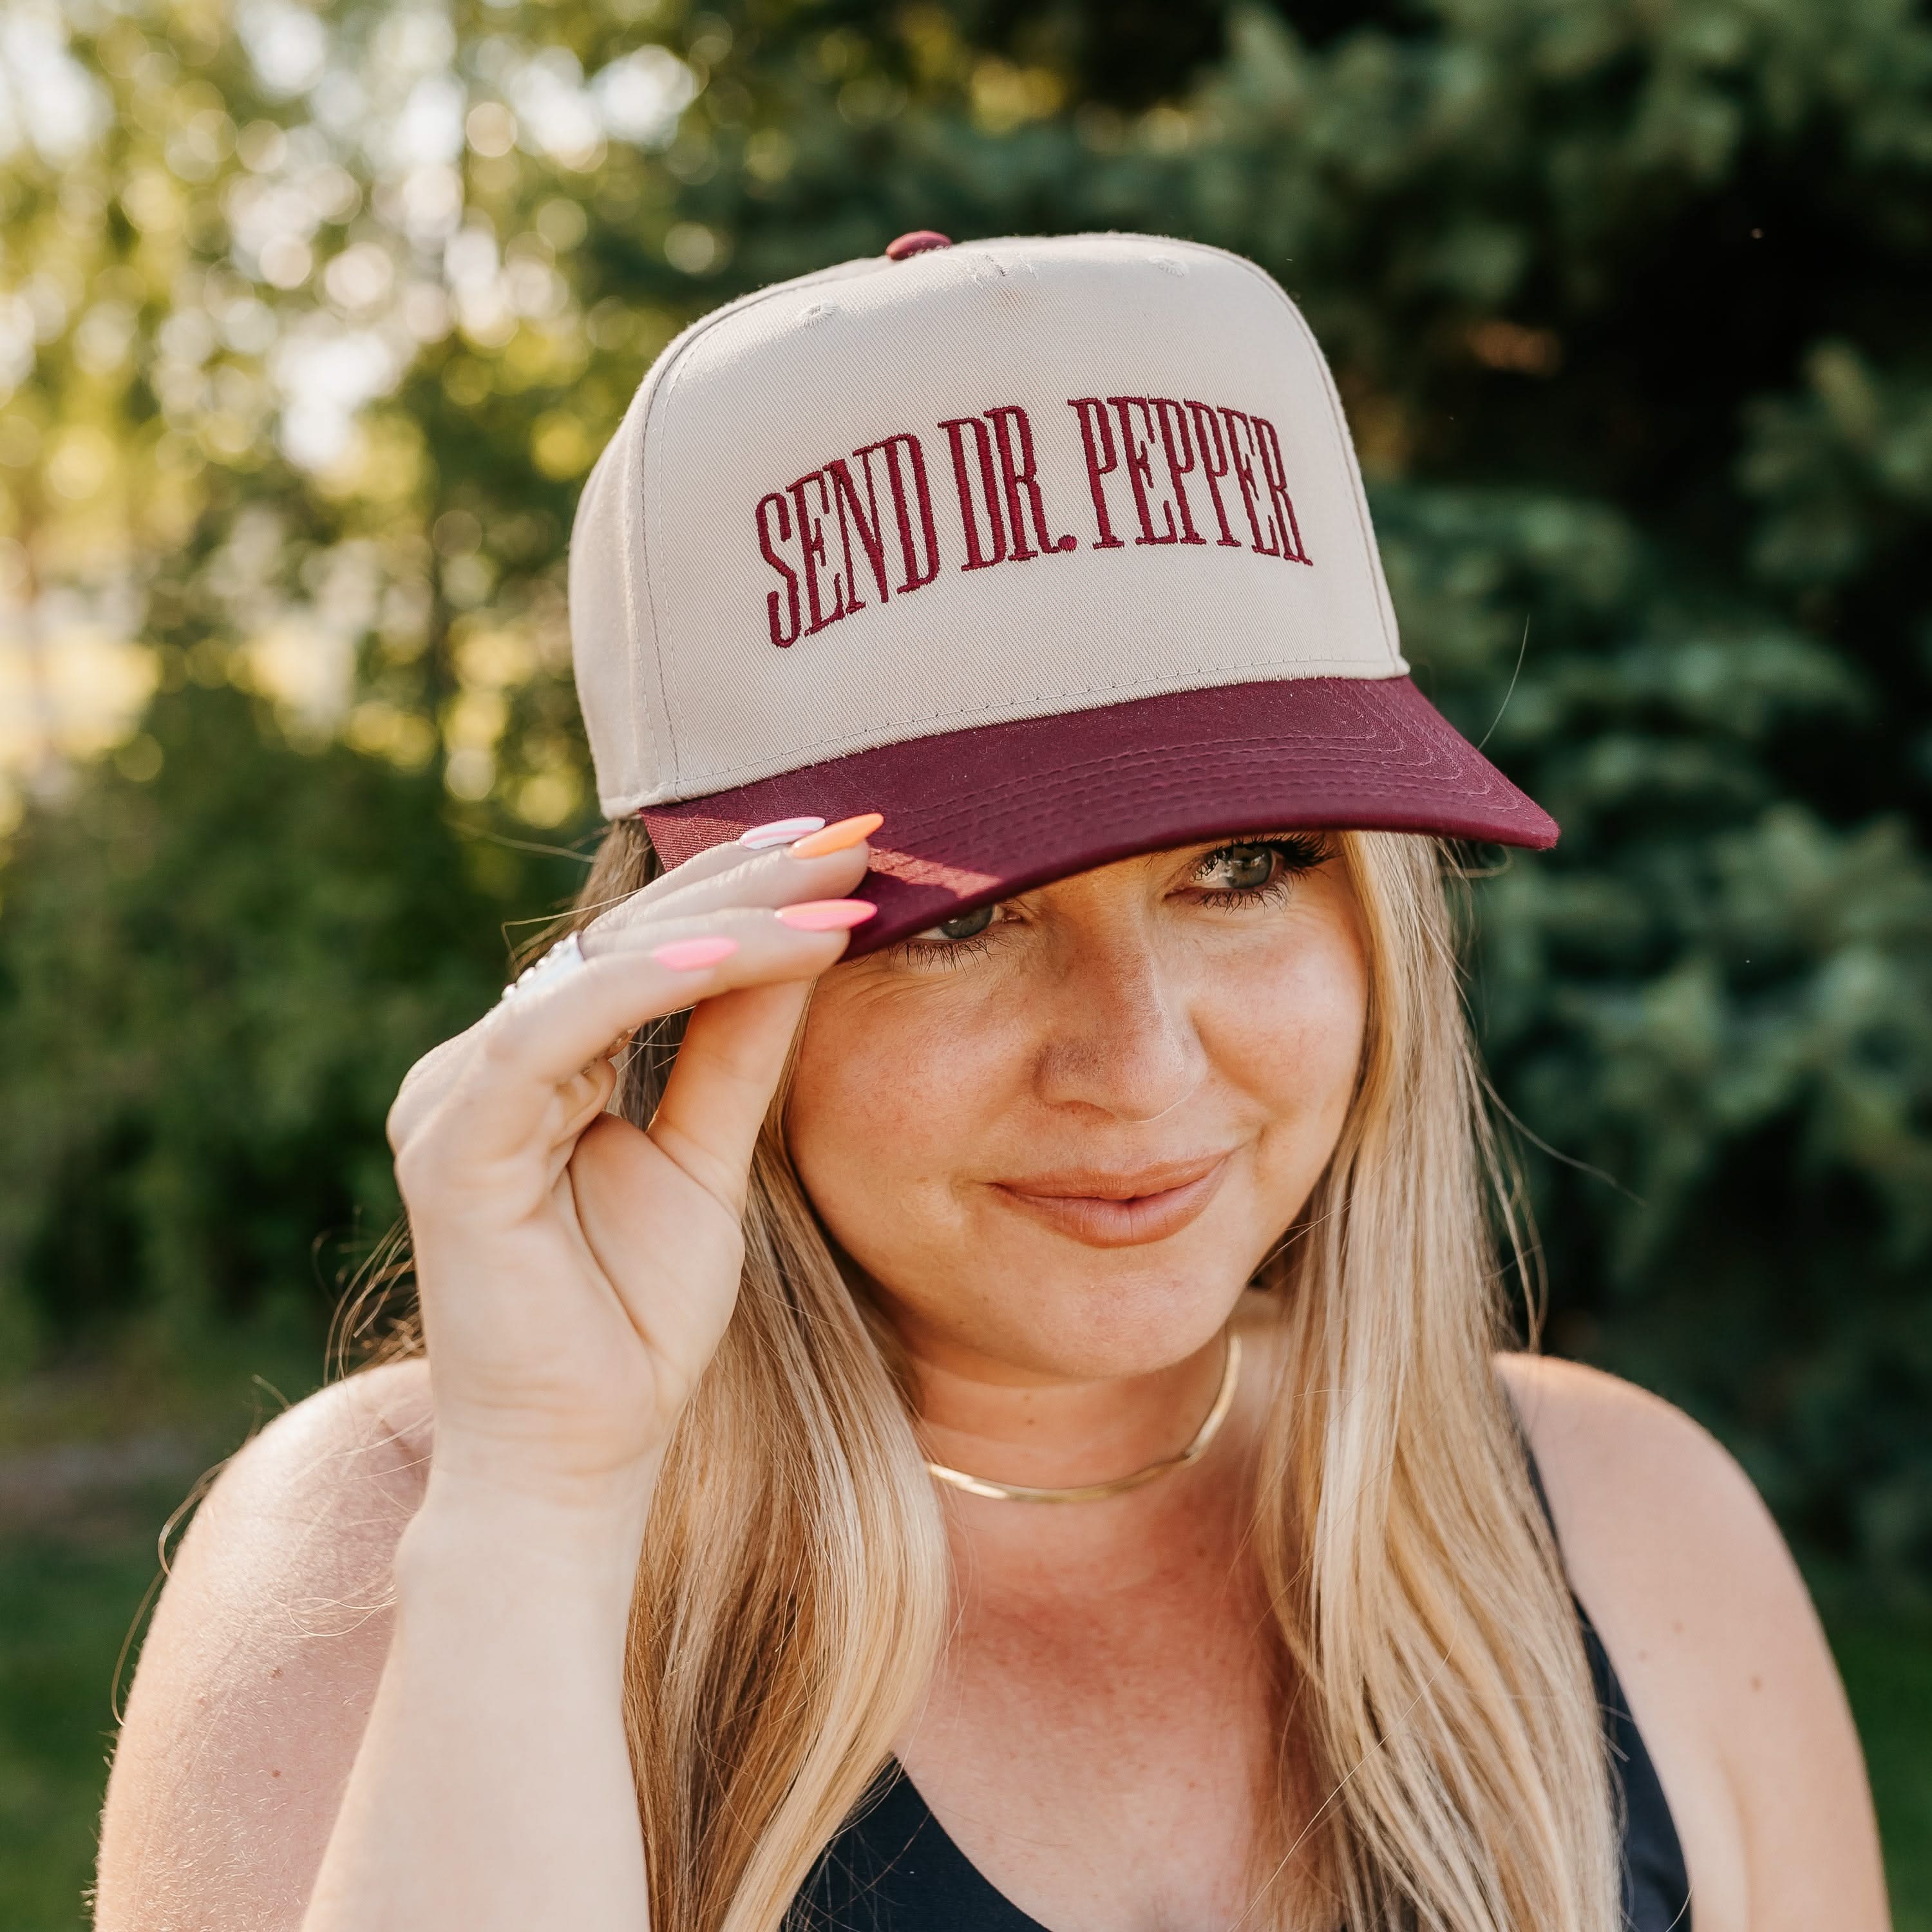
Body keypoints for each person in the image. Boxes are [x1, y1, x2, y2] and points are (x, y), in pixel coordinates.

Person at [94, 232, 1889, 1932]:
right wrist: (540, 1512)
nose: (1140, 1060)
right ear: (693, 969)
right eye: (960, 925)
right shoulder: (386, 1559)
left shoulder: (1628, 1538)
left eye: (1246, 866)